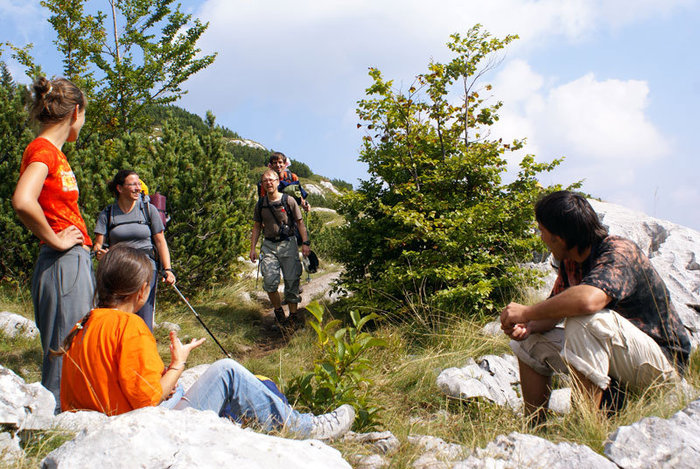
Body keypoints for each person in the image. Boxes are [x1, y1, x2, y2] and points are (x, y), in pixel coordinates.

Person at [58, 245, 355, 440]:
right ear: (142, 291)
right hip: (141, 430)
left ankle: (259, 421)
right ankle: (306, 428)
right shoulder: (129, 326)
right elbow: (148, 400)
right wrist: (177, 364)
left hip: (103, 424)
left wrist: (174, 373)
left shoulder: (84, 323)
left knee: (202, 374)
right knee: (226, 370)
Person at [500, 191, 691, 422]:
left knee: (585, 321)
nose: (540, 237)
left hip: (662, 366)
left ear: (558, 238)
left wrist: (527, 311)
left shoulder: (619, 252)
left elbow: (588, 301)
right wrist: (529, 326)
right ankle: (534, 426)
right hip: (620, 357)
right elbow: (555, 310)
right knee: (529, 343)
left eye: (542, 231)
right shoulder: (571, 260)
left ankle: (584, 427)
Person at [11, 76, 94, 412]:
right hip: (62, 264)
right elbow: (22, 200)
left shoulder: (52, 153)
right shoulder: (43, 150)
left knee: (73, 345)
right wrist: (58, 240)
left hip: (70, 262)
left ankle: (63, 415)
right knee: (65, 347)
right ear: (75, 112)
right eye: (85, 115)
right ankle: (55, 424)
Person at [93, 170, 175, 330]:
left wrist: (168, 269)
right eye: (133, 184)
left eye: (139, 184)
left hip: (145, 268)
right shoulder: (108, 214)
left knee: (143, 317)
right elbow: (98, 245)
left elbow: (160, 241)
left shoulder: (148, 210)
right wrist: (100, 253)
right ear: (120, 188)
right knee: (117, 317)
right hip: (119, 270)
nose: (138, 188)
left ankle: (141, 351)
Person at [250, 169, 311, 325]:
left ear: (278, 182)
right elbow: (257, 226)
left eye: (271, 180)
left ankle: (293, 316)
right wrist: (253, 249)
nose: (269, 183)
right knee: (269, 282)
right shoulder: (261, 204)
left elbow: (300, 223)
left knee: (292, 281)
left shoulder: (289, 200)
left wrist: (305, 243)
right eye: (265, 181)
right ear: (262, 184)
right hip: (269, 245)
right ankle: (278, 311)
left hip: (288, 243)